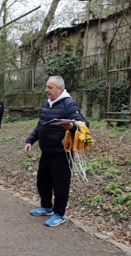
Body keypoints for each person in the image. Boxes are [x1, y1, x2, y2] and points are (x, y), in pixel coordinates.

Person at [24, 76, 89, 227]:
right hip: (46, 152)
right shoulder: (47, 104)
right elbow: (40, 125)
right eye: (46, 87)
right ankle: (46, 207)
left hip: (62, 154)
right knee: (43, 182)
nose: (47, 90)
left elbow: (84, 123)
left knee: (60, 185)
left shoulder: (69, 104)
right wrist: (30, 140)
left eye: (50, 87)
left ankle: (59, 214)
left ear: (60, 89)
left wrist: (72, 126)